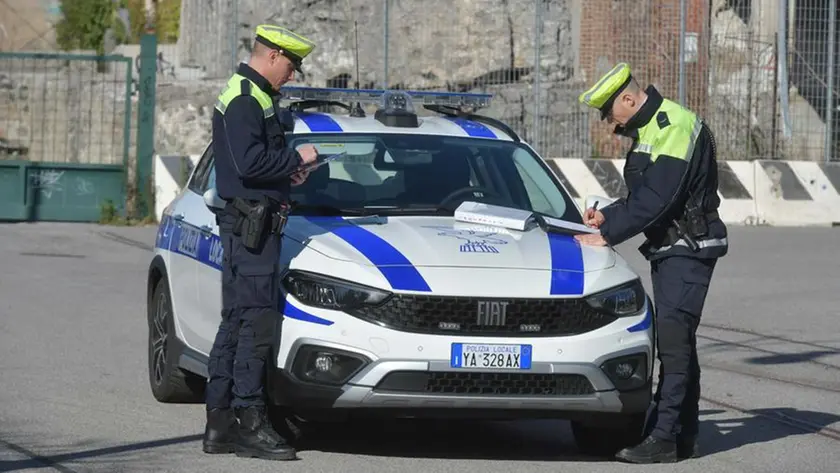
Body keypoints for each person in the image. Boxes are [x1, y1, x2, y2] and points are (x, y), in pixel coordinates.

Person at [575, 63, 728, 464]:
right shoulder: (650, 131)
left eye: (610, 113)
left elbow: (659, 199)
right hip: (671, 247)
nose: (610, 122)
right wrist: (608, 215)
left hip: (689, 247)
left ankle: (664, 437)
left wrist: (607, 235)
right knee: (680, 345)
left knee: (674, 346)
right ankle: (684, 434)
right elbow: (642, 195)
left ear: (628, 98)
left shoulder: (673, 124)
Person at [201, 24, 319, 461]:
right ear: (271, 55)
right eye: (290, 65)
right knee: (255, 326)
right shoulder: (247, 99)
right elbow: (249, 164)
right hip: (252, 228)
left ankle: (220, 423)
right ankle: (250, 422)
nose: (292, 74)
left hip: (249, 223)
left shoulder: (251, 95)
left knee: (235, 322)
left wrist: (288, 172)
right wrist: (298, 158)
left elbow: (247, 163)